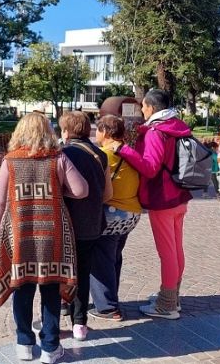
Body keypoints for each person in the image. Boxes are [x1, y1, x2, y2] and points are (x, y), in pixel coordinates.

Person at [0, 112, 88, 364]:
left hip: (20, 233)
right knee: (50, 289)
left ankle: (24, 344)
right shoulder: (57, 158)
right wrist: (61, 190)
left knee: (22, 287)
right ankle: (50, 348)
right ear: (48, 132)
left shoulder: (10, 161)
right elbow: (81, 190)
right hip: (52, 235)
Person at [113, 89, 191, 319]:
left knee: (167, 252)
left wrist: (124, 149)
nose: (143, 111)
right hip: (179, 195)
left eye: (144, 106)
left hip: (163, 198)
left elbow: (150, 167)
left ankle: (166, 305)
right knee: (176, 249)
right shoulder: (177, 125)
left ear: (152, 107)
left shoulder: (157, 131)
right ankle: (172, 296)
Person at [58, 111, 111, 341]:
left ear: (66, 132)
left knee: (62, 271)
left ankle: (62, 308)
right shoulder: (101, 154)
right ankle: (80, 323)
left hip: (66, 225)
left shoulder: (63, 153)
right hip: (92, 224)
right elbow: (108, 194)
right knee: (83, 272)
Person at [89, 114, 142, 322]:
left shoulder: (103, 155)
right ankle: (111, 298)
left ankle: (107, 308)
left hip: (111, 216)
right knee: (113, 257)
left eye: (98, 130)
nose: (96, 134)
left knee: (101, 260)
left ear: (105, 132)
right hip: (131, 215)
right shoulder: (130, 153)